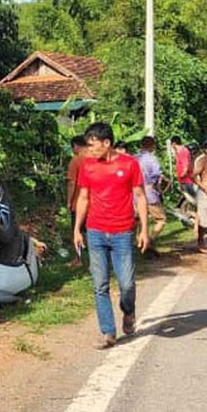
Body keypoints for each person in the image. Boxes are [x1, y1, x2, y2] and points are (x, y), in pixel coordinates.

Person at [73, 122, 149, 350]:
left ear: (107, 143)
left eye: (94, 145)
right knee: (100, 285)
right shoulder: (87, 166)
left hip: (123, 232)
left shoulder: (129, 164)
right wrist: (77, 228)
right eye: (88, 145)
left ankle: (128, 311)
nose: (90, 149)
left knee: (126, 284)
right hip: (95, 231)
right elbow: (83, 198)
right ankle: (108, 332)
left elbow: (140, 196)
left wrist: (144, 229)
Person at [135, 136, 165, 259]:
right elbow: (157, 176)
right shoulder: (152, 159)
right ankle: (150, 240)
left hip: (135, 194)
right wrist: (159, 190)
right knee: (161, 219)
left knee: (139, 220)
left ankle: (140, 242)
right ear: (152, 146)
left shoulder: (134, 158)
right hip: (149, 193)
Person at [65, 135, 89, 266]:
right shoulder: (95, 159)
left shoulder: (76, 160)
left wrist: (69, 201)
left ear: (76, 146)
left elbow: (71, 183)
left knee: (77, 230)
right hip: (95, 202)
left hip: (79, 202)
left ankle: (78, 259)